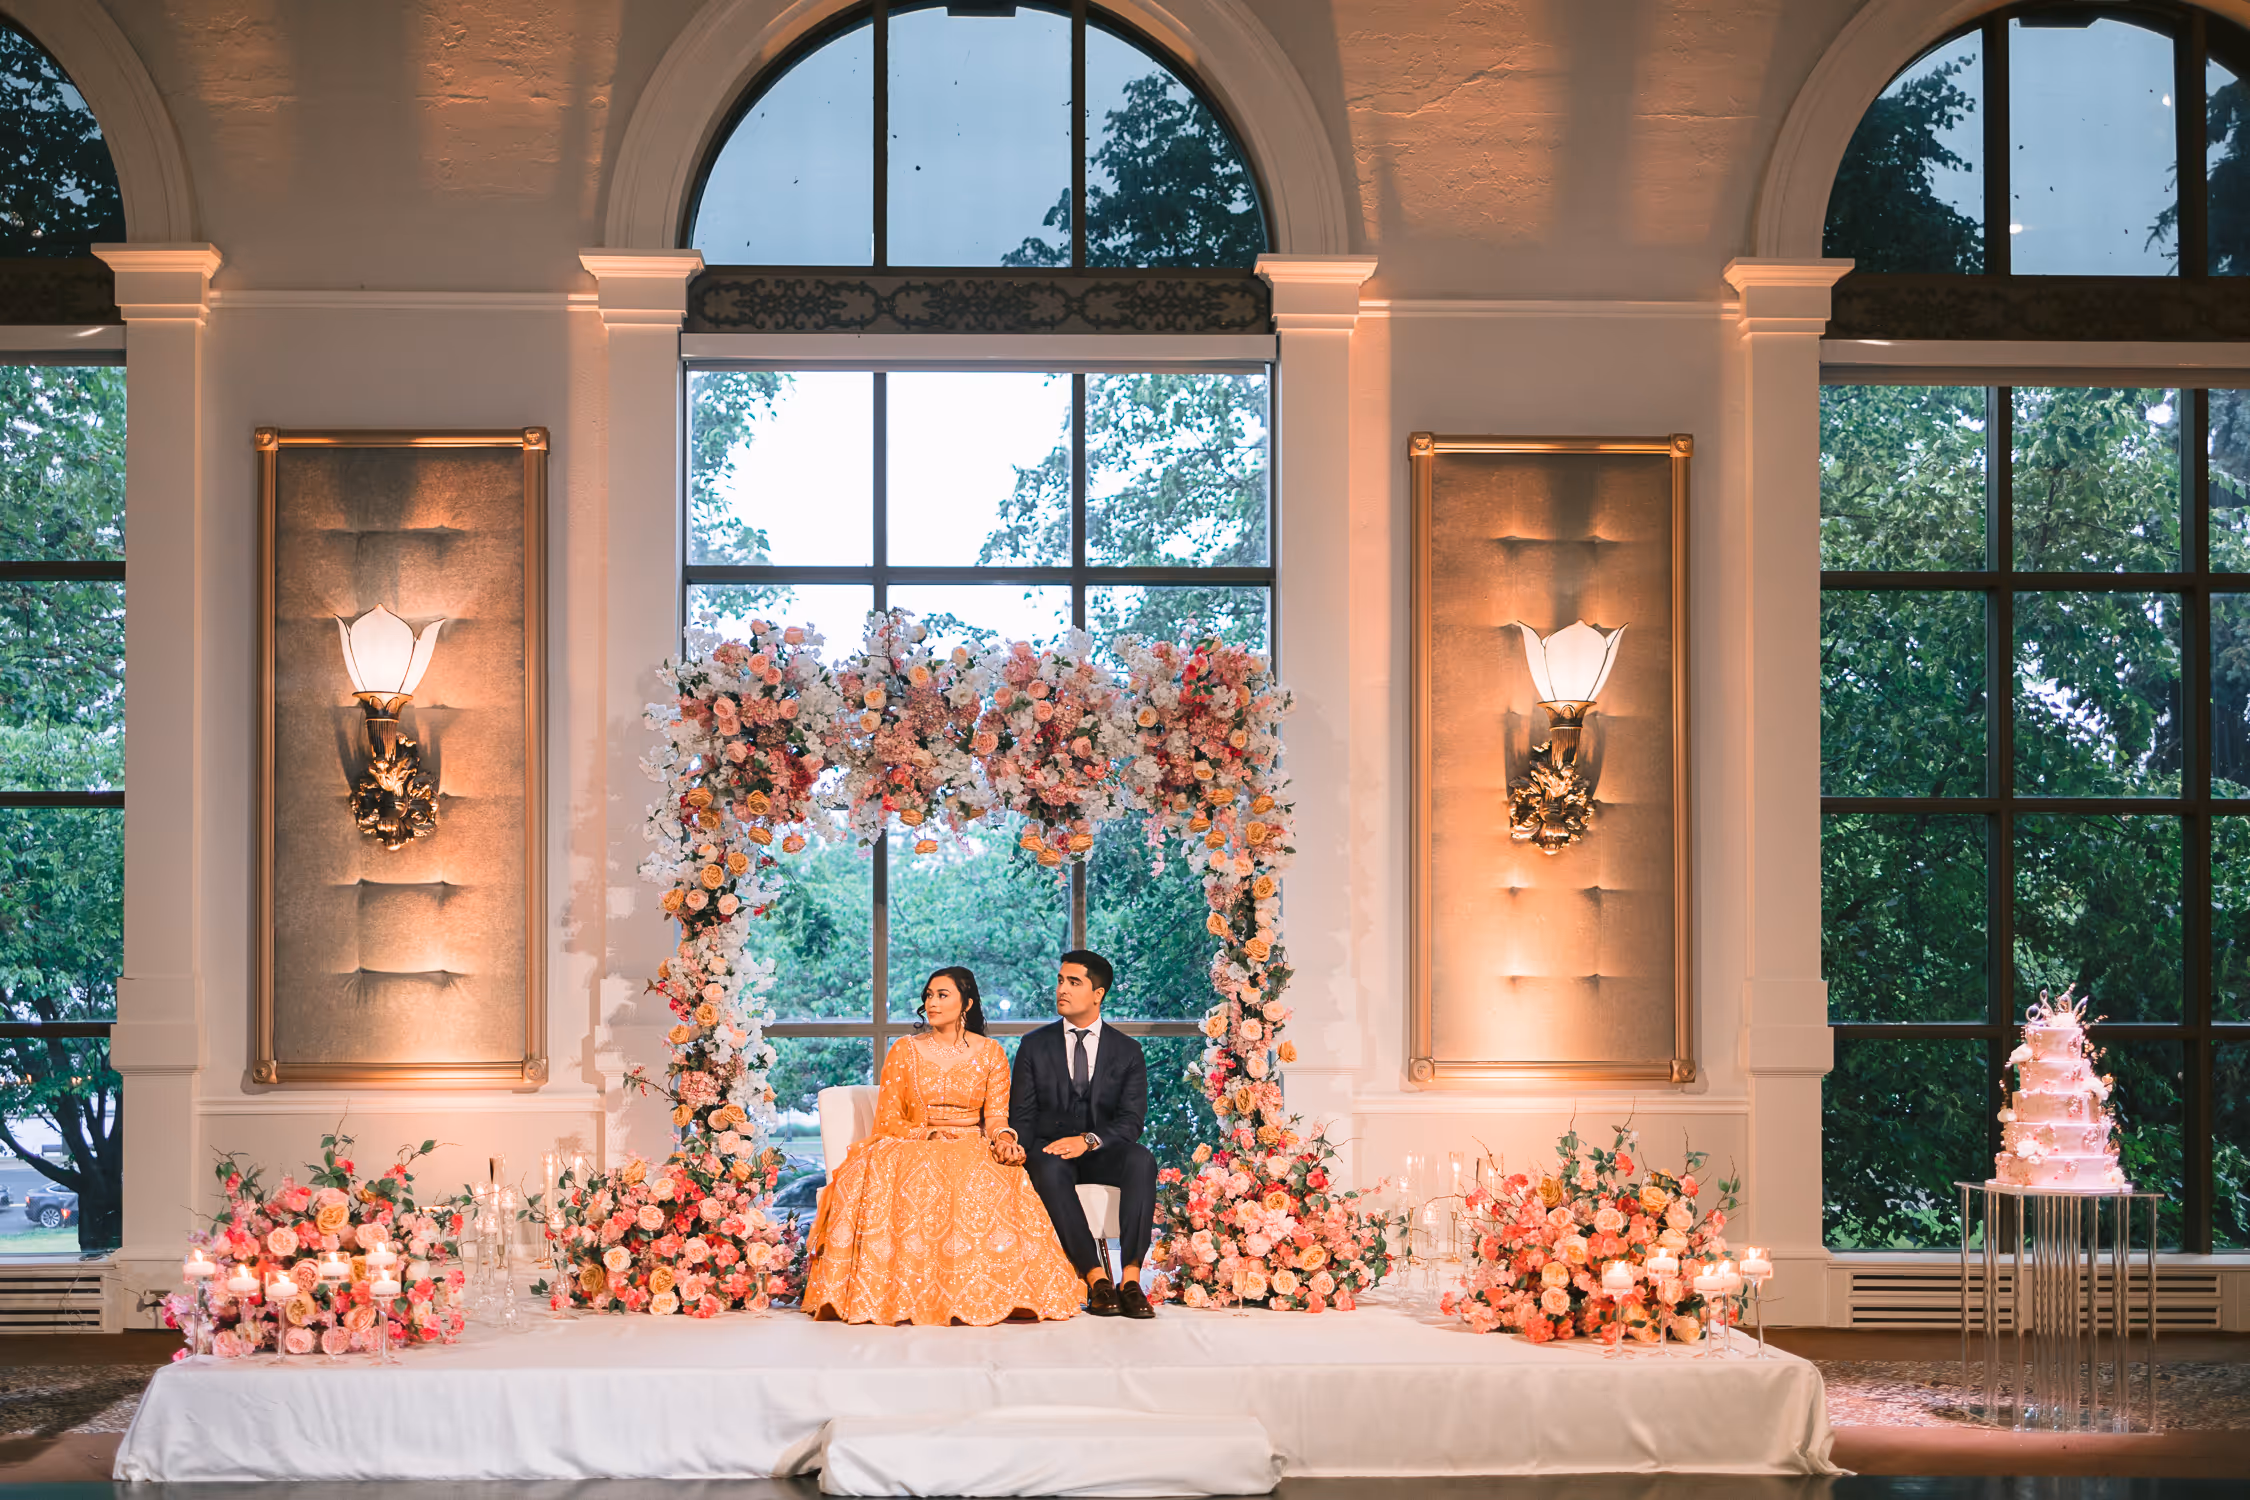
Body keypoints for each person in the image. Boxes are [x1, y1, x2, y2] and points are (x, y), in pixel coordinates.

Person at [801, 966, 1082, 1325]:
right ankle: (901, 1293)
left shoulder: (991, 1052)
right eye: (928, 996)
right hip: (912, 1140)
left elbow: (996, 1117)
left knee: (992, 1174)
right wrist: (926, 1135)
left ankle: (982, 1293)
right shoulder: (905, 1050)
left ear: (967, 1003)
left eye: (942, 995)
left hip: (971, 1142)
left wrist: (1005, 1139)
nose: (932, 1003)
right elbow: (888, 1120)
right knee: (899, 1170)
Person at [1011, 949, 1159, 1320]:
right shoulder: (1034, 1045)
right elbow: (1023, 1115)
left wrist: (1089, 1140)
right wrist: (1022, 1151)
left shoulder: (1127, 1051)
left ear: (1099, 993)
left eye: (1074, 982)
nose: (1062, 988)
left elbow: (1131, 1121)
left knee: (1141, 1159)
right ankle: (1096, 1280)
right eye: (1061, 980)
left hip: (1103, 1152)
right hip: (1053, 1153)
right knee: (1047, 1165)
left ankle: (1130, 1281)